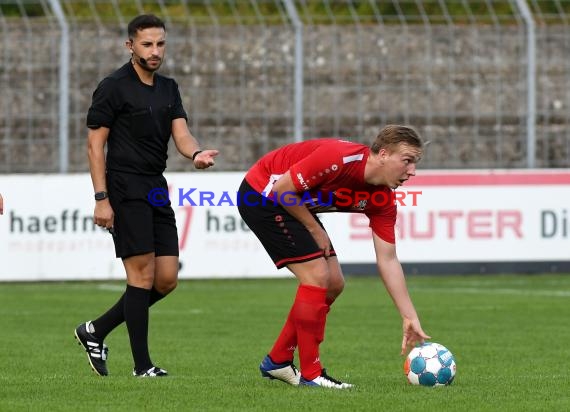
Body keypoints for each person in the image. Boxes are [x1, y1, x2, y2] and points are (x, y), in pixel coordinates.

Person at [74, 14, 218, 378]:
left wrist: (196, 153)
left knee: (166, 278)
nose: (155, 51)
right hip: (123, 187)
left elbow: (182, 135)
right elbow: (95, 145)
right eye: (147, 44)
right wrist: (101, 197)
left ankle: (95, 330)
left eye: (161, 44)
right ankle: (142, 367)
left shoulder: (169, 87)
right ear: (130, 46)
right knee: (140, 277)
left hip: (156, 187)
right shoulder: (113, 87)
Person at [237, 125, 430, 389]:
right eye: (407, 161)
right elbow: (282, 189)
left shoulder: (383, 199)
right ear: (383, 154)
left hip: (293, 201)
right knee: (317, 276)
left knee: (334, 283)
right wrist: (315, 230)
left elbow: (388, 260)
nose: (412, 171)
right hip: (263, 194)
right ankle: (312, 374)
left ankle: (278, 360)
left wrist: (409, 316)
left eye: (415, 164)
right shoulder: (340, 158)